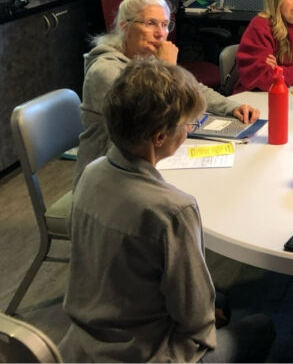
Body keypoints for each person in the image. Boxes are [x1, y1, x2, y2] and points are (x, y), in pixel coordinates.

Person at [60, 57, 275, 363]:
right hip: (146, 355)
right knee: (261, 327)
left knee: (221, 299)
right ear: (160, 137)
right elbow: (196, 320)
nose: (189, 130)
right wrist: (205, 320)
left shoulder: (92, 172)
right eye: (189, 124)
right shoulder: (172, 209)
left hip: (85, 343)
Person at [75, 0, 259, 185]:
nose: (161, 33)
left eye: (164, 24)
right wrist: (168, 69)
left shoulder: (146, 58)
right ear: (125, 26)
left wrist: (231, 107)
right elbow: (156, 118)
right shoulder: (106, 70)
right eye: (150, 23)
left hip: (142, 167)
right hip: (105, 181)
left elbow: (193, 88)